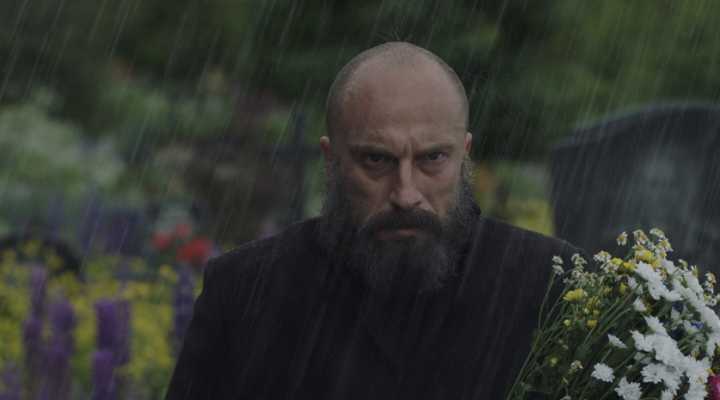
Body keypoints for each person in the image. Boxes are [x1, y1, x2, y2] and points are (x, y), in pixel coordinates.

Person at [165, 42, 583, 400]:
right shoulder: (244, 290)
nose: (405, 193)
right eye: (377, 160)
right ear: (331, 160)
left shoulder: (549, 282)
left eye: (432, 158)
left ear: (464, 154)